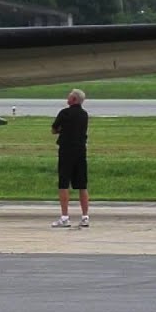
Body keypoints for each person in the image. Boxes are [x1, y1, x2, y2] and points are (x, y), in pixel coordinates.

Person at [50, 88, 89, 227]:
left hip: (66, 150)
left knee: (64, 183)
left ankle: (65, 217)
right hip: (81, 150)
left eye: (70, 96)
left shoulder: (65, 112)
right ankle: (85, 216)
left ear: (73, 100)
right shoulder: (84, 114)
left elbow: (54, 129)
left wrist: (63, 129)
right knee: (82, 185)